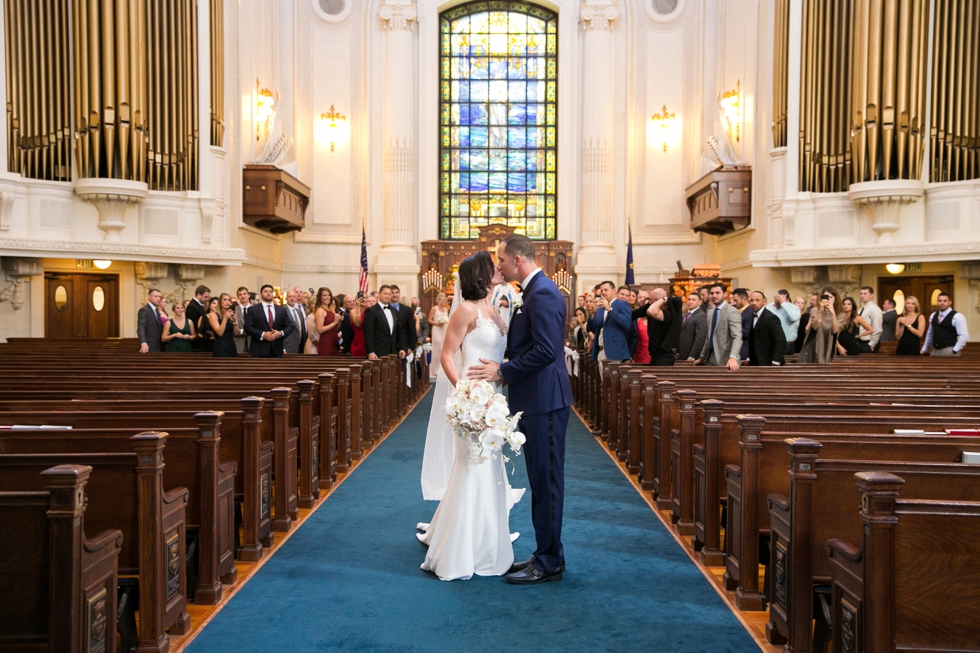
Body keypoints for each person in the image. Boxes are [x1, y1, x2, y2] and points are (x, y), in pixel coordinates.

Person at [468, 235, 572, 585]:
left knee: (547, 482)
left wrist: (504, 371)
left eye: (500, 260)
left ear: (516, 259)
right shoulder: (534, 290)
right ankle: (546, 551)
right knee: (540, 480)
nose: (497, 265)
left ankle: (549, 560)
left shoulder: (542, 292)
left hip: (545, 401)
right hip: (536, 400)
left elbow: (546, 350)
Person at [416, 252, 523, 581]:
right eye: (494, 266)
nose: (500, 268)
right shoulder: (465, 309)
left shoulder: (494, 308)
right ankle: (461, 547)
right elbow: (447, 355)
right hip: (470, 399)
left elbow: (497, 355)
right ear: (481, 274)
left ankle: (488, 534)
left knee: (491, 464)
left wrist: (502, 376)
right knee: (473, 464)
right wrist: (463, 392)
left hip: (493, 397)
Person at [588, 280, 633, 378]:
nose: (603, 292)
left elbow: (626, 323)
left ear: (614, 291)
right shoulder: (600, 307)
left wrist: (610, 310)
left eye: (606, 290)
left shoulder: (621, 304)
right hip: (600, 350)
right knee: (604, 385)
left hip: (614, 351)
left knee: (613, 385)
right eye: (601, 290)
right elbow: (594, 327)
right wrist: (592, 313)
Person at [695, 283, 742, 370]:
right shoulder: (710, 312)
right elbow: (708, 337)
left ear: (725, 294)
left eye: (717, 293)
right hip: (710, 358)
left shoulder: (732, 311)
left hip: (726, 360)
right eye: (712, 293)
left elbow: (737, 337)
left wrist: (733, 357)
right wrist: (702, 356)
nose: (714, 296)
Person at [244, 284, 295, 358]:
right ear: (261, 295)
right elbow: (247, 327)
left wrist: (280, 333)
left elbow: (290, 326)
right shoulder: (253, 310)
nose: (268, 293)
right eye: (266, 291)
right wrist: (262, 334)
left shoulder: (281, 310)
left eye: (271, 292)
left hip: (277, 350)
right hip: (259, 350)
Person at [637, 288, 682, 366]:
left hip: (664, 357)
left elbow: (650, 311)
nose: (649, 302)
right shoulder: (659, 313)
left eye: (650, 299)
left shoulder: (669, 314)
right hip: (656, 356)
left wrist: (663, 299)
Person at [798, 287, 841, 364]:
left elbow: (835, 330)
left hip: (829, 343)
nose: (828, 299)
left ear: (835, 299)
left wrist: (833, 313)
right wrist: (820, 310)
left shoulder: (840, 314)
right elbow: (814, 327)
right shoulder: (815, 310)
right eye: (825, 297)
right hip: (815, 343)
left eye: (830, 297)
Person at [921, 292, 968, 356]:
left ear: (950, 302)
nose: (942, 303)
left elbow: (964, 336)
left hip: (950, 349)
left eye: (945, 301)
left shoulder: (957, 316)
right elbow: (930, 334)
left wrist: (955, 350)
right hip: (935, 350)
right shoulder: (933, 315)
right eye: (940, 301)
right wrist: (924, 349)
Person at [363, 285, 402, 360]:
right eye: (385, 293)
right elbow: (368, 333)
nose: (387, 296)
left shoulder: (394, 311)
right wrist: (371, 352)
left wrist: (402, 348)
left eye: (389, 294)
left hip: (393, 351)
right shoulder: (371, 311)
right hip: (378, 352)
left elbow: (399, 331)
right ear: (380, 294)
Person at [747, 291, 786, 366]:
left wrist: (776, 360)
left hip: (768, 362)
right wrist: (749, 357)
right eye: (751, 300)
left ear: (764, 302)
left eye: (757, 300)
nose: (754, 303)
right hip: (755, 362)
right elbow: (753, 339)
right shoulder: (752, 316)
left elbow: (780, 340)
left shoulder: (771, 318)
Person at [766, 289, 801, 356]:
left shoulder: (794, 308)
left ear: (787, 300)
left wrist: (783, 304)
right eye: (775, 299)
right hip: (771, 344)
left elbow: (793, 318)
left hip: (787, 345)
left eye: (779, 300)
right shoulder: (769, 307)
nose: (776, 301)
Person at [388, 285, 417, 357]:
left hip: (404, 346)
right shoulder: (385, 308)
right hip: (388, 347)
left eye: (397, 292)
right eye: (392, 293)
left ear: (399, 294)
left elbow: (412, 329)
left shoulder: (407, 310)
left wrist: (411, 346)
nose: (395, 295)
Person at [678, 292, 708, 361]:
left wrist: (692, 356)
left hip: (691, 355)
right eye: (689, 299)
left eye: (693, 300)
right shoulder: (685, 315)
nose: (690, 302)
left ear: (700, 302)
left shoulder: (701, 316)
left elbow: (700, 339)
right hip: (682, 353)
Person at [209, 293, 239, 358]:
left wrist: (235, 321)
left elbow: (236, 333)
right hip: (220, 346)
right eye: (225, 300)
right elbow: (220, 333)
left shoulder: (230, 314)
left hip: (231, 345)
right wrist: (225, 318)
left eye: (229, 300)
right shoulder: (213, 315)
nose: (227, 302)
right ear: (220, 302)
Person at [313, 287, 340, 356]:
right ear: (320, 297)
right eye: (324, 295)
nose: (327, 297)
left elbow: (335, 327)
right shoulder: (320, 310)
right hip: (326, 343)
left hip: (334, 343)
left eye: (329, 295)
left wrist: (339, 320)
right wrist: (334, 322)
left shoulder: (331, 309)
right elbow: (319, 330)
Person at [428, 293, 450, 377]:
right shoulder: (434, 309)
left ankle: (442, 369)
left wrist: (445, 322)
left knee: (443, 348)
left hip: (444, 329)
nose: (443, 301)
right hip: (437, 329)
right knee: (438, 348)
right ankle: (435, 369)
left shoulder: (446, 309)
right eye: (442, 300)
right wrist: (437, 323)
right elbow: (429, 320)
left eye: (445, 300)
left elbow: (447, 319)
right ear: (438, 300)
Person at [282, 288, 309, 355]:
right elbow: (279, 329)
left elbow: (301, 328)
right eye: (290, 296)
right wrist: (283, 348)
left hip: (300, 345)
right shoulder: (282, 311)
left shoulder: (298, 311)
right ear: (286, 298)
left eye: (294, 296)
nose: (292, 298)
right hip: (288, 346)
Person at [856, 286, 883, 353]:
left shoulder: (874, 309)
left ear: (871, 295)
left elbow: (877, 328)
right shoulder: (861, 309)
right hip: (860, 341)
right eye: (861, 293)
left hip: (869, 342)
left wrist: (872, 344)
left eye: (865, 293)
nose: (862, 295)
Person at [184, 285, 211, 351]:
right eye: (205, 297)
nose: (207, 299)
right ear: (199, 295)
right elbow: (193, 324)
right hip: (197, 341)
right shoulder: (192, 306)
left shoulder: (199, 305)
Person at [138, 288, 164, 353]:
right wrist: (143, 342)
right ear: (149, 297)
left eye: (159, 297)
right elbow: (141, 327)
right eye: (156, 296)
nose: (158, 298)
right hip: (149, 345)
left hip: (158, 345)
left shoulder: (156, 310)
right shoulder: (145, 310)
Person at [349, 294, 370, 358]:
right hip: (358, 342)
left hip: (369, 341)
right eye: (361, 298)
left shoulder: (370, 311)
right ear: (356, 300)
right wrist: (358, 307)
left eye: (366, 298)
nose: (363, 299)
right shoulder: (353, 311)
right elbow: (357, 324)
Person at [234, 287, 251, 353]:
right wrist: (242, 331)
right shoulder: (234, 309)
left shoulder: (256, 309)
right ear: (238, 297)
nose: (243, 296)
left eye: (244, 294)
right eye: (240, 295)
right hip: (238, 342)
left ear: (248, 295)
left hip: (253, 342)